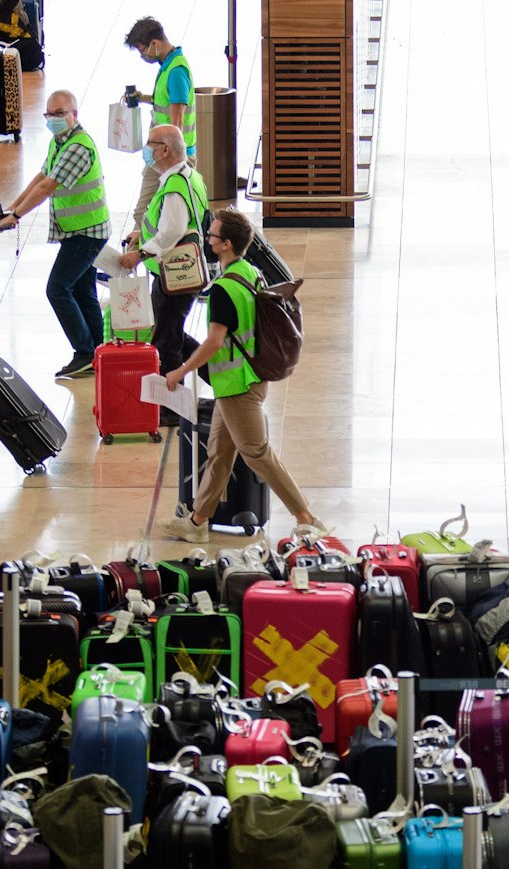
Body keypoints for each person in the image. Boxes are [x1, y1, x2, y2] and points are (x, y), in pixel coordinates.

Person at [157, 208, 320, 543]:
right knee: (219, 454)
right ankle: (198, 520)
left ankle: (306, 517)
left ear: (226, 244)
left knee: (257, 453)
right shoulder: (251, 272)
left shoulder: (222, 290)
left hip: (237, 386)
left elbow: (215, 341)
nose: (208, 239)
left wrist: (181, 370)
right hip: (248, 377)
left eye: (212, 236)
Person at [0, 90, 112, 379]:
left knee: (57, 289)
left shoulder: (77, 147)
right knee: (83, 291)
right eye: (50, 114)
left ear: (74, 114)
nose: (55, 119)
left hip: (88, 233)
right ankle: (99, 351)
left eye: (61, 113)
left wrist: (18, 216)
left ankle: (84, 352)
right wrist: (12, 207)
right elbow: (40, 178)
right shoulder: (60, 142)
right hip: (78, 230)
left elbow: (49, 188)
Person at [109, 125, 210, 391]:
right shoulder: (187, 176)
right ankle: (218, 375)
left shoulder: (174, 187)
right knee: (170, 333)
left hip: (174, 277)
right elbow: (169, 223)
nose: (146, 149)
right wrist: (140, 234)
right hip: (177, 273)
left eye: (150, 144)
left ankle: (171, 406)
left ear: (164, 149)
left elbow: (171, 231)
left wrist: (139, 255)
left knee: (167, 342)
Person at [124, 17, 199, 234]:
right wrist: (143, 98)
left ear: (155, 43)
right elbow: (166, 102)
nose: (143, 55)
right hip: (162, 154)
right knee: (149, 213)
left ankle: (145, 256)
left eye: (143, 49)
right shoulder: (168, 65)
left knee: (149, 214)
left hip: (170, 157)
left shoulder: (176, 71)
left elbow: (176, 124)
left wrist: (168, 164)